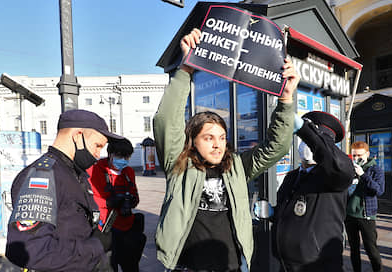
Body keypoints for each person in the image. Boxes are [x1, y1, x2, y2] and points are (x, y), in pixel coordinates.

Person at [153, 28, 300, 271]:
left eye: (222, 137)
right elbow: (165, 121)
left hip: (231, 264)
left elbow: (276, 147)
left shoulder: (236, 167)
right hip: (187, 265)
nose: (217, 144)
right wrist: (186, 69)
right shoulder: (179, 164)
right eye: (208, 137)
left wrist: (285, 99)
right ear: (193, 140)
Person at [6, 109, 123, 272]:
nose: (98, 155)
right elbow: (32, 249)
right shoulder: (42, 176)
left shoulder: (74, 173)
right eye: (97, 146)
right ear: (78, 136)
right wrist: (95, 246)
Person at [271, 111, 355, 272]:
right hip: (285, 263)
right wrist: (272, 213)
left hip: (318, 265)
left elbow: (339, 164)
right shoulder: (292, 176)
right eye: (304, 140)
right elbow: (290, 214)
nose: (307, 145)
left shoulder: (334, 176)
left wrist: (305, 130)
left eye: (311, 141)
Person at [87, 138, 146, 272]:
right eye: (120, 156)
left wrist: (131, 200)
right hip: (106, 227)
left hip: (127, 225)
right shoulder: (95, 170)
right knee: (108, 266)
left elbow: (134, 193)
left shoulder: (128, 172)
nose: (123, 160)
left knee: (131, 265)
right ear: (110, 154)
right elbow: (93, 198)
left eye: (127, 157)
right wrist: (110, 202)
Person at [345, 141, 384, 272]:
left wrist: (363, 175)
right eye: (354, 155)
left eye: (359, 155)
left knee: (371, 248)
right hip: (350, 215)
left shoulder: (375, 169)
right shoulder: (351, 169)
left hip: (366, 215)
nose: (356, 159)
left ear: (367, 154)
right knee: (354, 249)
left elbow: (378, 190)